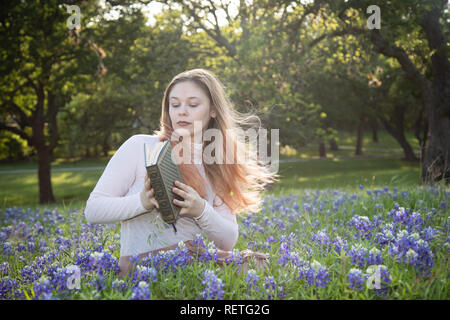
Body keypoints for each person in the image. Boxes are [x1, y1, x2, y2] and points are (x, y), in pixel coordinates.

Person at [84, 68, 278, 278]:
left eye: (193, 104)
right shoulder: (140, 146)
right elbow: (93, 210)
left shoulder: (216, 162)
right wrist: (141, 202)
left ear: (213, 110)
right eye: (174, 104)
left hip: (196, 268)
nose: (181, 111)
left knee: (259, 264)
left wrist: (201, 210)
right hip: (141, 271)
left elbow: (228, 240)